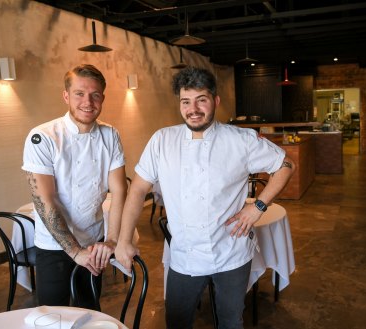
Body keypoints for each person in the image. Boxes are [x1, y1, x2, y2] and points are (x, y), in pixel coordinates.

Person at [115, 66, 295, 329]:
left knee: (231, 321)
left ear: (215, 101)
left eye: (201, 100)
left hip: (232, 252)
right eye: (186, 101)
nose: (193, 108)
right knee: (176, 321)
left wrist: (257, 207)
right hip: (184, 255)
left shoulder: (241, 139)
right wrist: (123, 240)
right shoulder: (162, 140)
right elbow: (138, 190)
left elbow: (285, 165)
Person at [22, 64, 127, 308]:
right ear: (66, 96)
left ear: (103, 98)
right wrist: (74, 251)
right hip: (53, 245)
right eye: (79, 93)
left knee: (90, 309)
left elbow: (120, 190)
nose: (87, 102)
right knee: (52, 315)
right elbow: (44, 201)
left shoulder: (110, 135)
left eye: (95, 95)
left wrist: (111, 240)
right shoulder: (43, 136)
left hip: (93, 239)